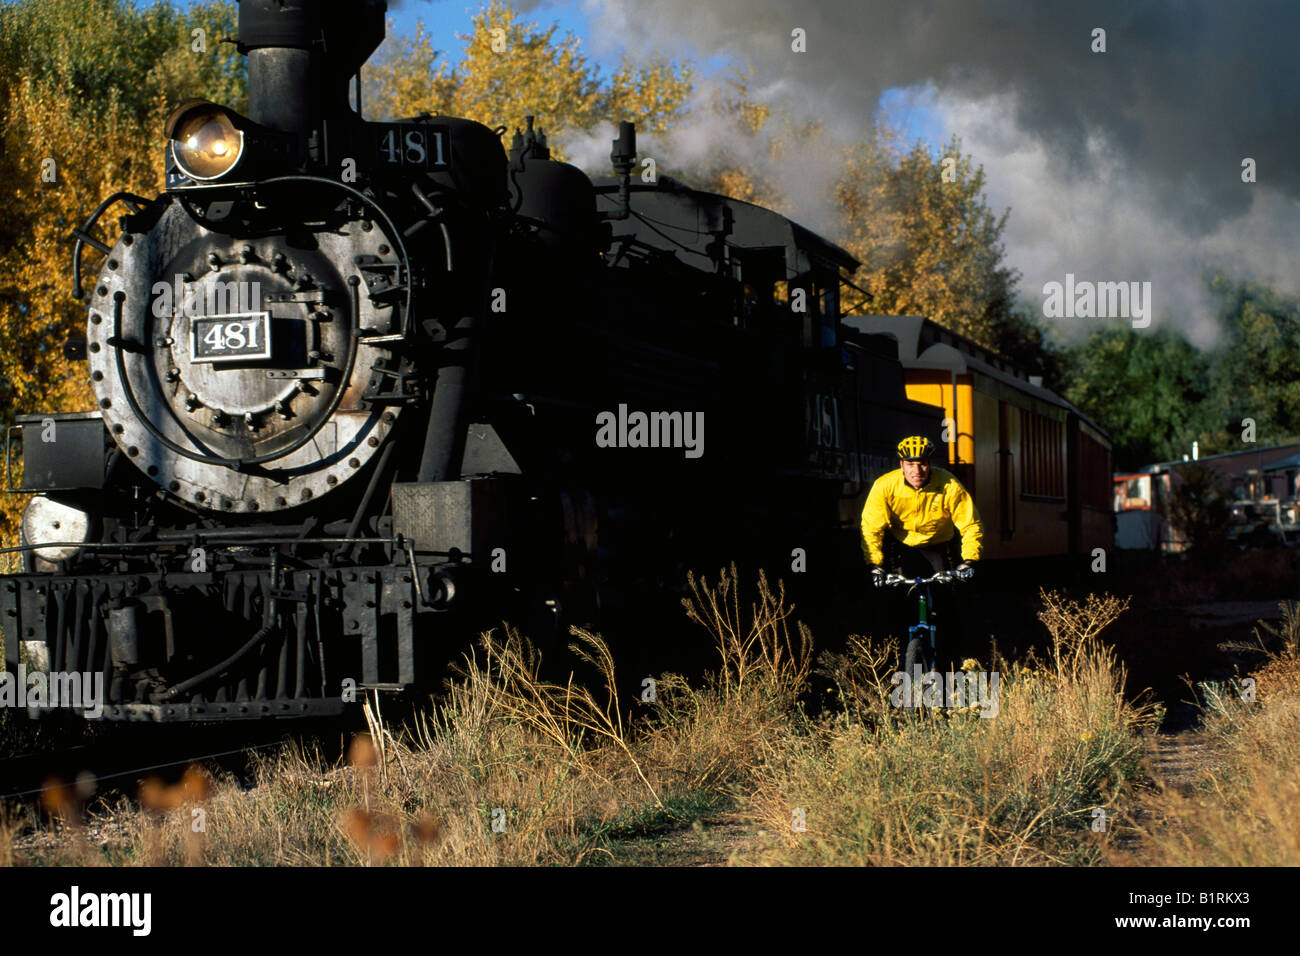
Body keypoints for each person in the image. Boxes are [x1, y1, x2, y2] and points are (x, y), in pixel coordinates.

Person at [861, 436, 984, 639]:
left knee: (949, 606)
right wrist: (874, 564)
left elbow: (971, 524)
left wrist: (969, 561)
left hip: (938, 546)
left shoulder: (948, 484)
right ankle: (900, 656)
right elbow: (871, 528)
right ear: (901, 464)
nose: (916, 471)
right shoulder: (884, 486)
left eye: (922, 464)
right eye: (910, 464)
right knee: (891, 604)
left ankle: (949, 660)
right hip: (900, 547)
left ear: (930, 464)